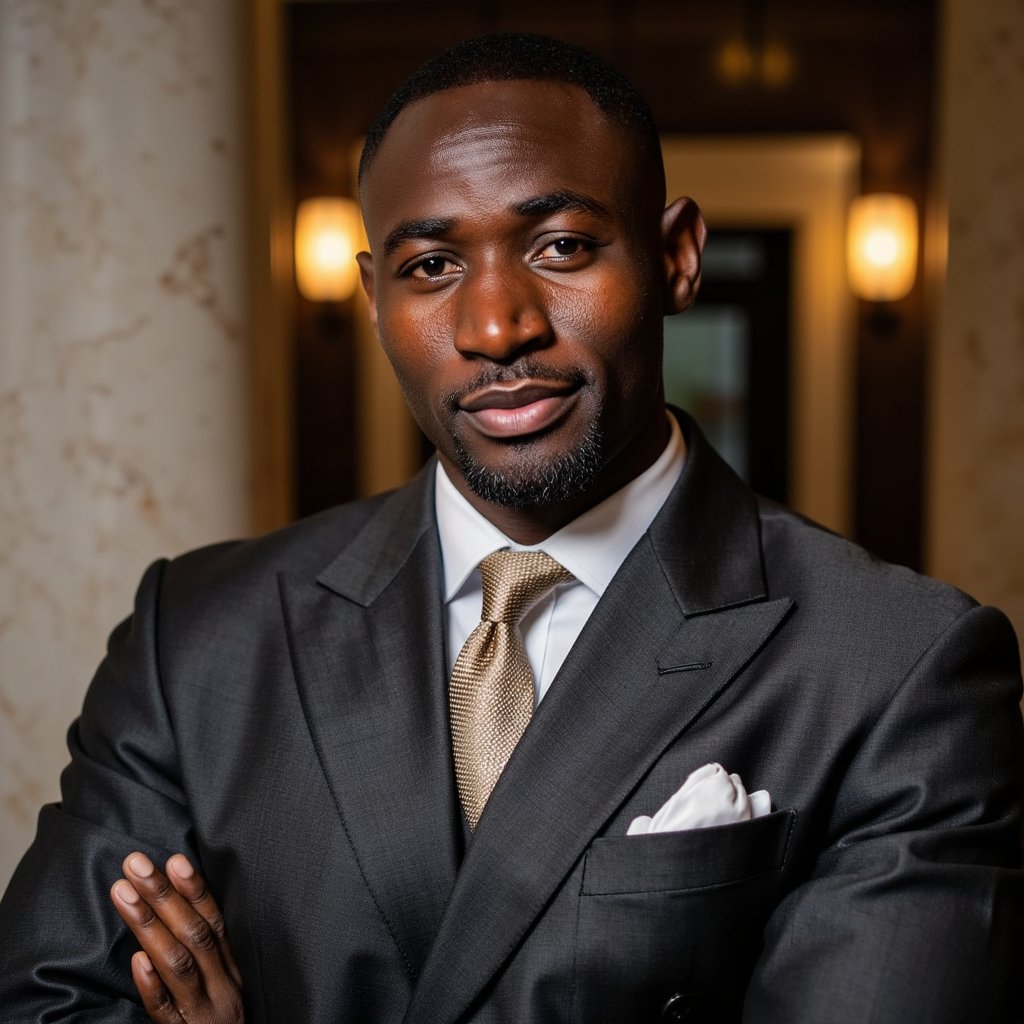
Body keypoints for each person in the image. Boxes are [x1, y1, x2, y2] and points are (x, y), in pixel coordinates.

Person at [1, 31, 1022, 1024]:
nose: (497, 328)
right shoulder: (199, 638)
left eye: (561, 246)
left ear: (675, 258)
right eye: (432, 265)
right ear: (370, 299)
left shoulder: (897, 667)